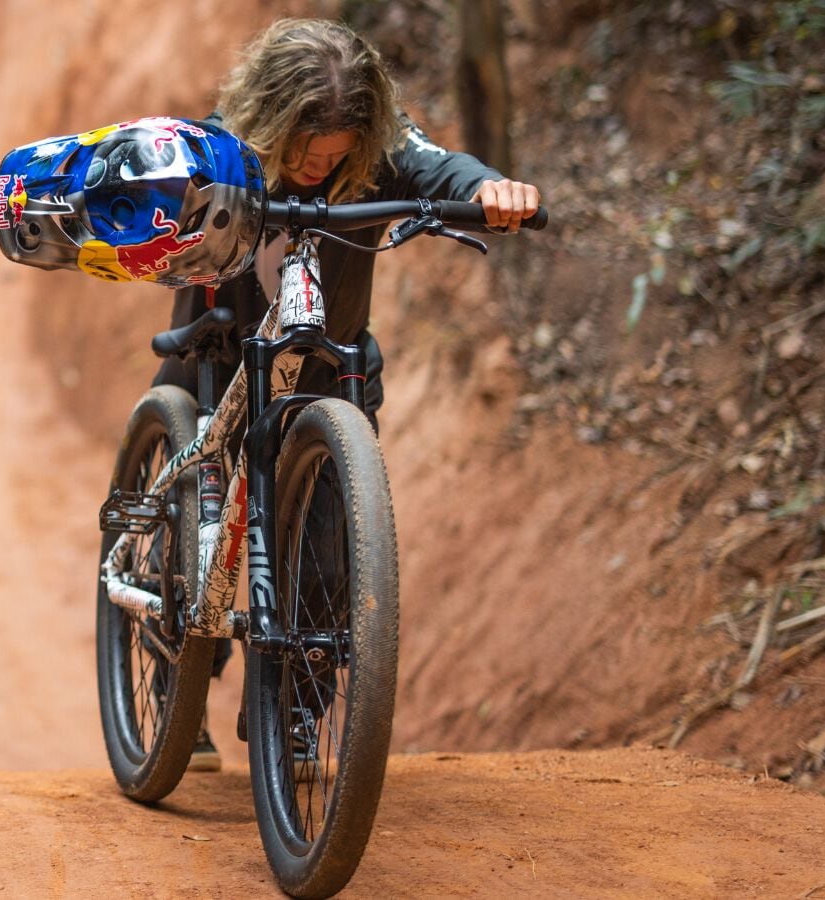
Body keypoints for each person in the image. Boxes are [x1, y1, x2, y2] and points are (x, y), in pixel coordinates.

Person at [159, 18, 542, 773]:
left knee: (332, 557)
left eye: (335, 156)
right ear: (267, 119)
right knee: (188, 534)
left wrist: (488, 190)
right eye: (302, 151)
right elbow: (156, 178)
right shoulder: (217, 149)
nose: (316, 167)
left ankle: (294, 716)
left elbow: (443, 168)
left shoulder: (382, 146)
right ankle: (178, 680)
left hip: (325, 374)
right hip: (217, 358)